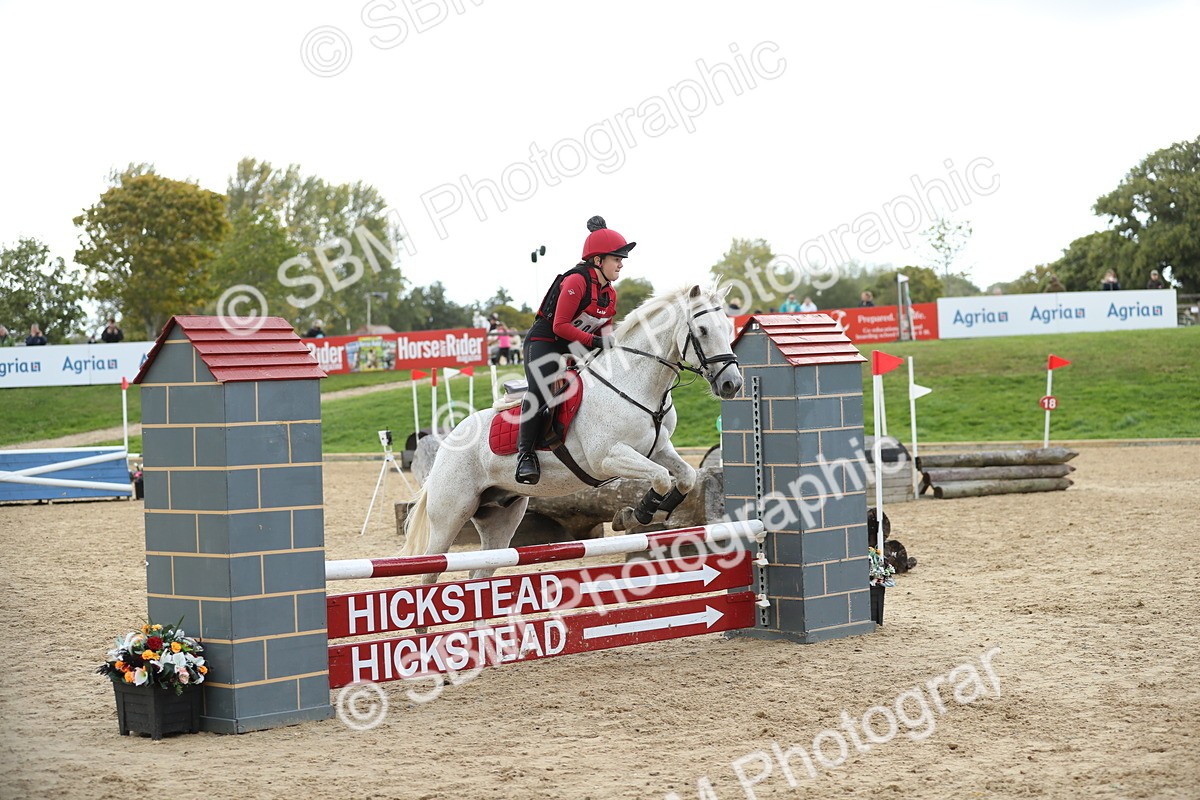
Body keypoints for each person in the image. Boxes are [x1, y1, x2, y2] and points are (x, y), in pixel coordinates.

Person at [515, 216, 630, 485]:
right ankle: (525, 456)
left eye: (622, 259)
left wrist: (608, 348)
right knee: (541, 389)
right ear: (598, 261)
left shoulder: (609, 294)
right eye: (616, 258)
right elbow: (560, 326)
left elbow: (604, 332)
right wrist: (594, 343)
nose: (621, 264)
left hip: (576, 344)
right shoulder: (576, 281)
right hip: (545, 341)